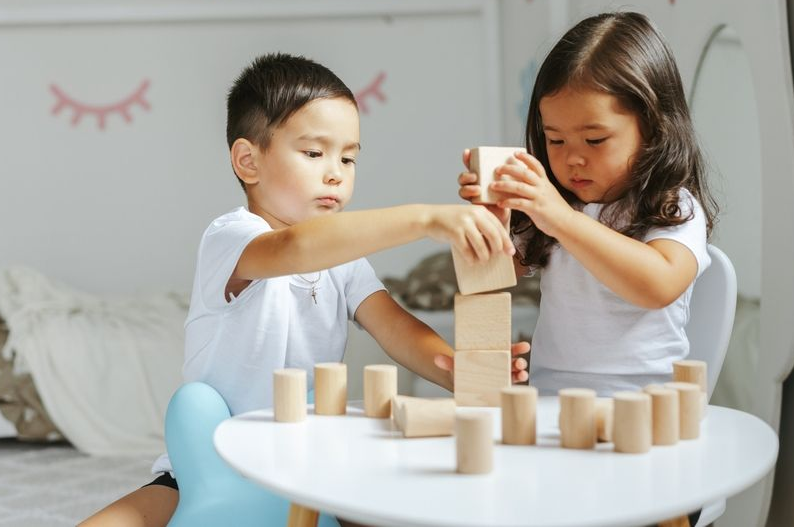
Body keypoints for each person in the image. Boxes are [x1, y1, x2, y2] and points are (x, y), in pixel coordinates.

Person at [81, 53, 530, 527]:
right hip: (208, 462)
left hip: (305, 464)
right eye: (315, 153)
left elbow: (395, 327)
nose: (336, 172)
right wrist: (424, 218)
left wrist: (458, 370)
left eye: (349, 157)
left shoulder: (346, 260)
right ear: (248, 161)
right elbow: (295, 247)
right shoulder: (231, 236)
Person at [458, 11, 718, 397]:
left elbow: (659, 285)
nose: (572, 159)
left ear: (653, 128)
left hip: (644, 403)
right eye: (556, 140)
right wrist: (491, 220)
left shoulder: (673, 206)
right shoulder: (554, 203)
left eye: (595, 140)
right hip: (549, 398)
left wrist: (561, 220)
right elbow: (491, 275)